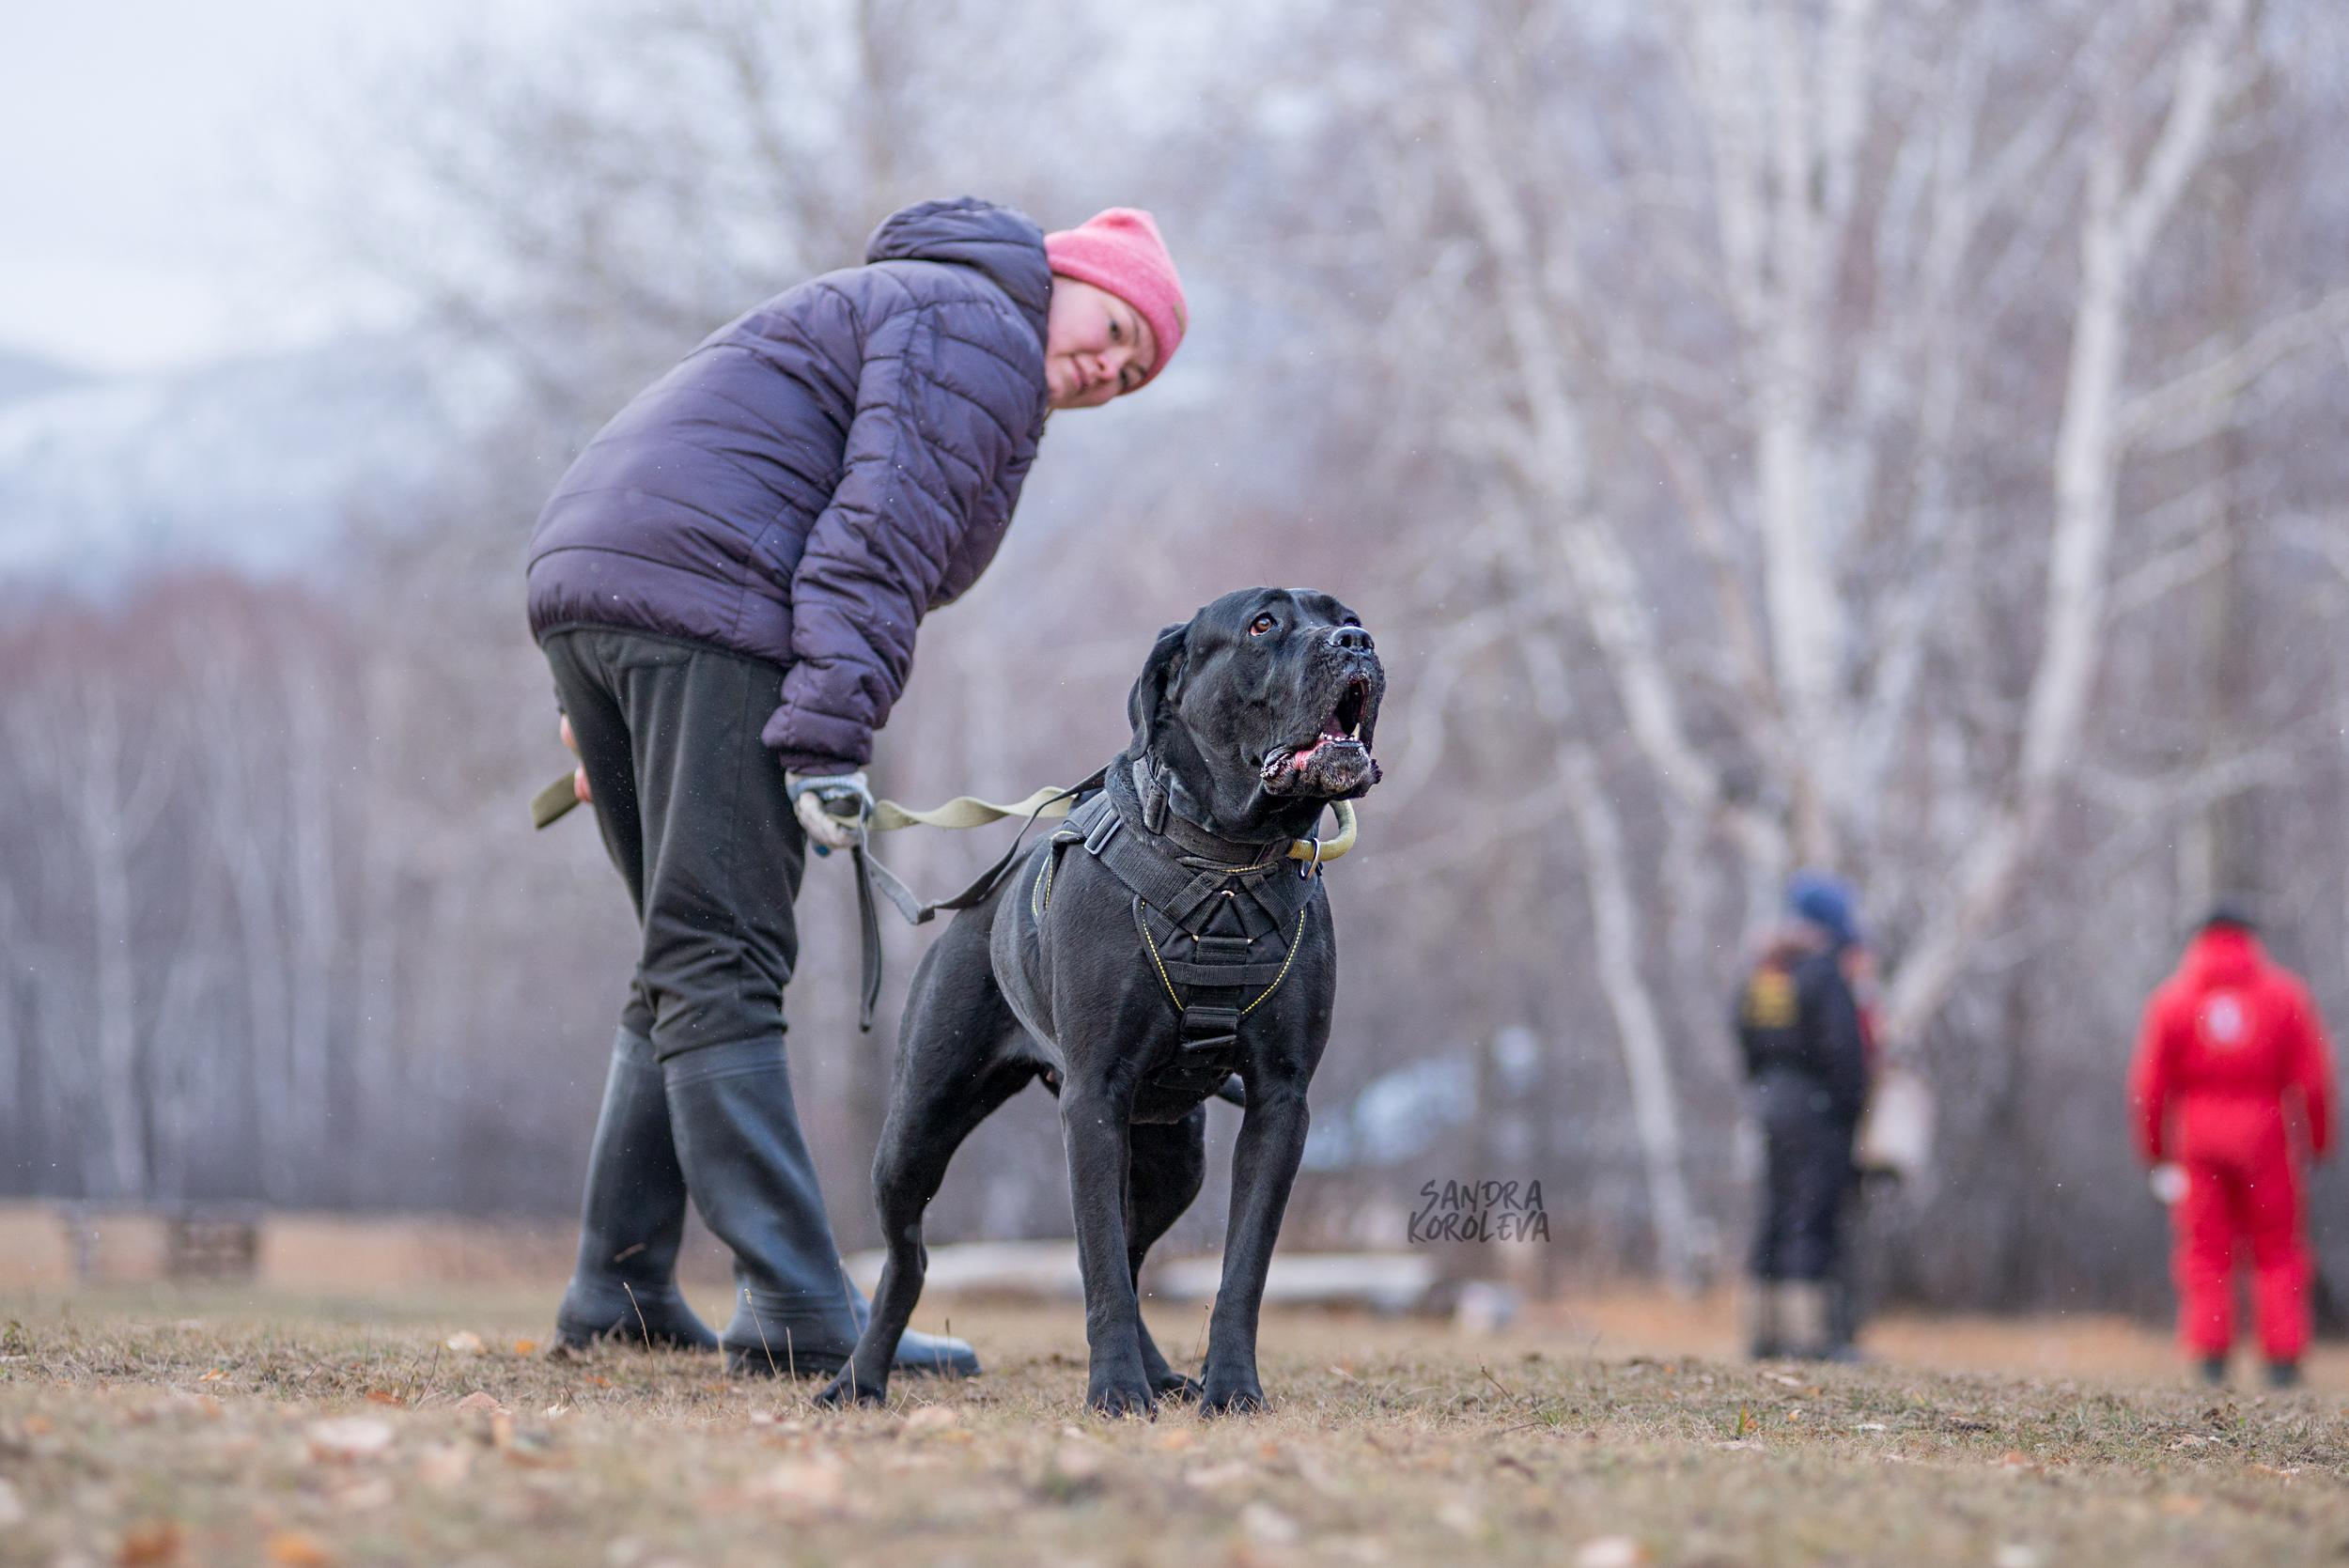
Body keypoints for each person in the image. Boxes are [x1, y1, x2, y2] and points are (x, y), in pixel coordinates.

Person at [524, 198, 1187, 1376]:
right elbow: (877, 540)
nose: (1107, 367)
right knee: (723, 954)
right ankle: (794, 1300)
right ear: (1068, 277)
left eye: (1130, 375)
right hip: (707, 603)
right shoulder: (982, 332)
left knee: (684, 952)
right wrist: (829, 740)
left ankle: (618, 1286)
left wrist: (607, 678)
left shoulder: (925, 304)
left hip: (602, 583)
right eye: (1114, 328)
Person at [2128, 903, 2335, 1387]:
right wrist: (2318, 1143)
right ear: (2250, 938)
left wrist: (2156, 1154)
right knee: (2278, 1249)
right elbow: (2315, 1080)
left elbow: (2149, 1087)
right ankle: (2282, 1361)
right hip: (2267, 1137)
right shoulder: (2285, 995)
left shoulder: (2173, 1000)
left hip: (2197, 1141)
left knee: (2205, 1251)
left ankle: (2210, 1356)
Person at [1735, 872, 1871, 1360]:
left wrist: (1770, 1085)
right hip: (1818, 1112)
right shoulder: (1821, 974)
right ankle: (1809, 1338)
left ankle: (1764, 1332)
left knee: (1776, 1214)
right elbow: (1843, 1050)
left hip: (1773, 1105)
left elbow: (1745, 1037)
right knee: (1812, 1217)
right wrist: (1851, 1104)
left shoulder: (1768, 973)